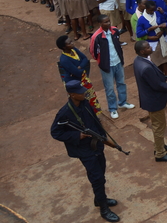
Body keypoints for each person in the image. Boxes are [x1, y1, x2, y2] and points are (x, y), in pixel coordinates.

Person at [50, 80, 121, 222]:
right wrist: (77, 135)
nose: (83, 93)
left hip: (96, 145)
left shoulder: (85, 104)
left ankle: (99, 199)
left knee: (101, 171)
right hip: (84, 150)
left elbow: (95, 120)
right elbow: (55, 132)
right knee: (97, 178)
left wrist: (103, 137)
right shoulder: (65, 113)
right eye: (80, 92)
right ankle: (103, 208)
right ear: (72, 94)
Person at [132, 40, 167, 162]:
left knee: (158, 125)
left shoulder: (139, 60)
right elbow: (157, 85)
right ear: (142, 51)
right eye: (147, 47)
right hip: (154, 100)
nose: (150, 47)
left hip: (150, 98)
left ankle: (160, 146)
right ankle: (160, 153)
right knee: (159, 126)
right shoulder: (146, 67)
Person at [90, 15, 135, 120]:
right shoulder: (96, 36)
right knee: (109, 88)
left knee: (121, 83)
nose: (108, 23)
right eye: (105, 22)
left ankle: (122, 102)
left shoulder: (115, 30)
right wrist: (102, 61)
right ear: (100, 24)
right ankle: (113, 108)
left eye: (109, 21)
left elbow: (118, 44)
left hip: (118, 62)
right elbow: (93, 52)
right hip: (107, 66)